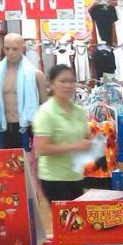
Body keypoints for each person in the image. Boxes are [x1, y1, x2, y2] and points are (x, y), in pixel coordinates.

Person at [33, 65, 92, 202]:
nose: (68, 85)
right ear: (52, 84)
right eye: (63, 81)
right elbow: (42, 149)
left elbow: (87, 138)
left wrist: (93, 144)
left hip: (76, 176)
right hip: (54, 179)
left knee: (77, 215)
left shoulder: (79, 111)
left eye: (71, 81)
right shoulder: (46, 112)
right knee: (63, 215)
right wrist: (74, 146)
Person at [0, 33, 48, 149]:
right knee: (3, 160)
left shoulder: (36, 75)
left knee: (27, 160)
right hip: (2, 127)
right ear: (3, 49)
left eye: (15, 49)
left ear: (22, 48)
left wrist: (46, 137)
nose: (10, 53)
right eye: (7, 48)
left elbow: (46, 108)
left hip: (27, 128)